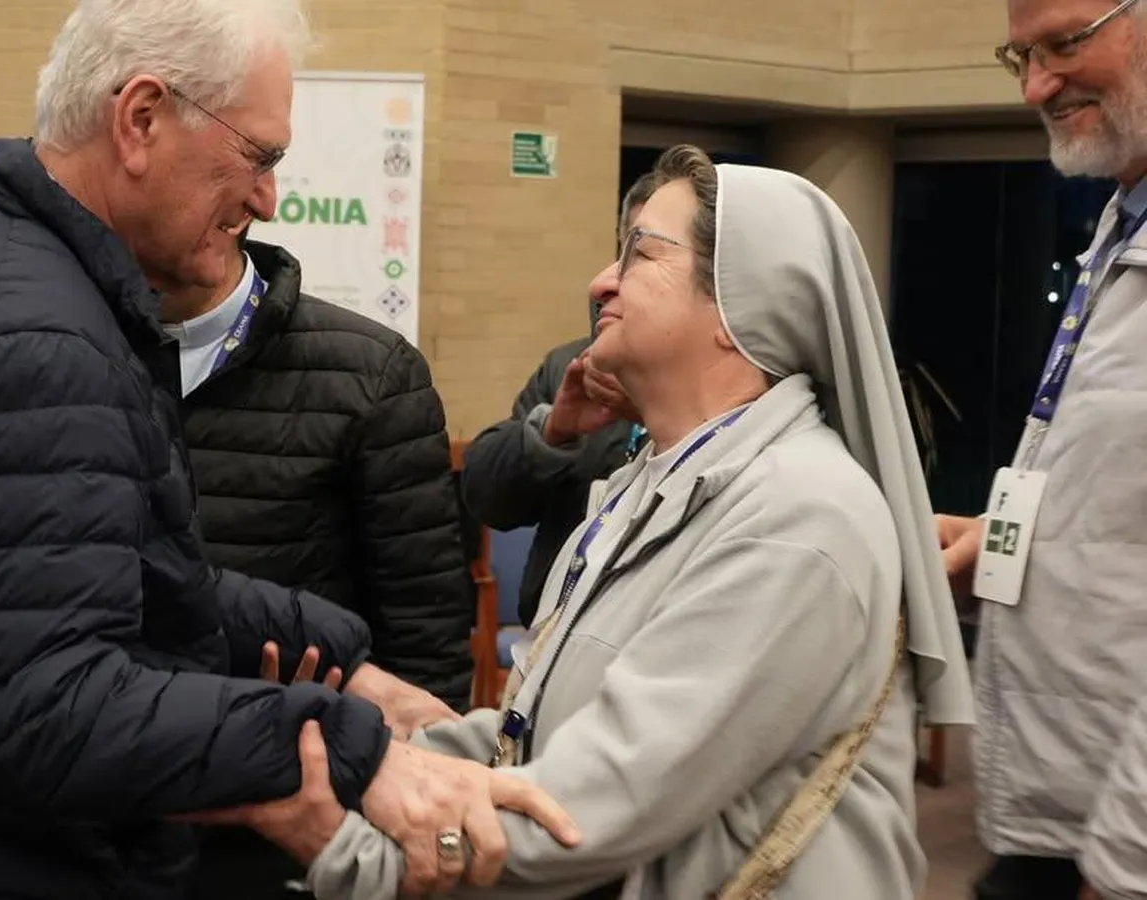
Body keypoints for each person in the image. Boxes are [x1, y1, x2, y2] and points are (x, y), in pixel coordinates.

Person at [0, 2, 579, 899]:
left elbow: (118, 571)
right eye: (258, 157)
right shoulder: (31, 339)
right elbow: (48, 711)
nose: (269, 200)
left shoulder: (26, 283)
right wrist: (353, 750)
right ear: (141, 119)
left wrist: (344, 664)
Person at [205, 146, 978, 899]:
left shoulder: (798, 516)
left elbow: (587, 812)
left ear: (739, 303)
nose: (601, 281)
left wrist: (344, 847)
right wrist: (349, 743)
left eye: (640, 255)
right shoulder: (648, 481)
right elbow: (532, 738)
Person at [165, 228, 475, 898]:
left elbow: (426, 638)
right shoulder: (66, 351)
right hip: (102, 807)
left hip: (296, 825)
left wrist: (390, 831)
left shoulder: (372, 374)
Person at [938, 1, 1147, 898]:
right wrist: (1007, 542)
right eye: (1020, 55)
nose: (1035, 87)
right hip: (1065, 806)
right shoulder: (1120, 218)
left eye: (1066, 42)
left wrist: (1130, 863)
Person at [460, 173, 656, 626]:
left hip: (648, 632)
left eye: (650, 255)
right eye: (629, 251)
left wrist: (655, 413)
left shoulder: (727, 376)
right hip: (553, 629)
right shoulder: (571, 366)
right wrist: (551, 435)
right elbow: (488, 499)